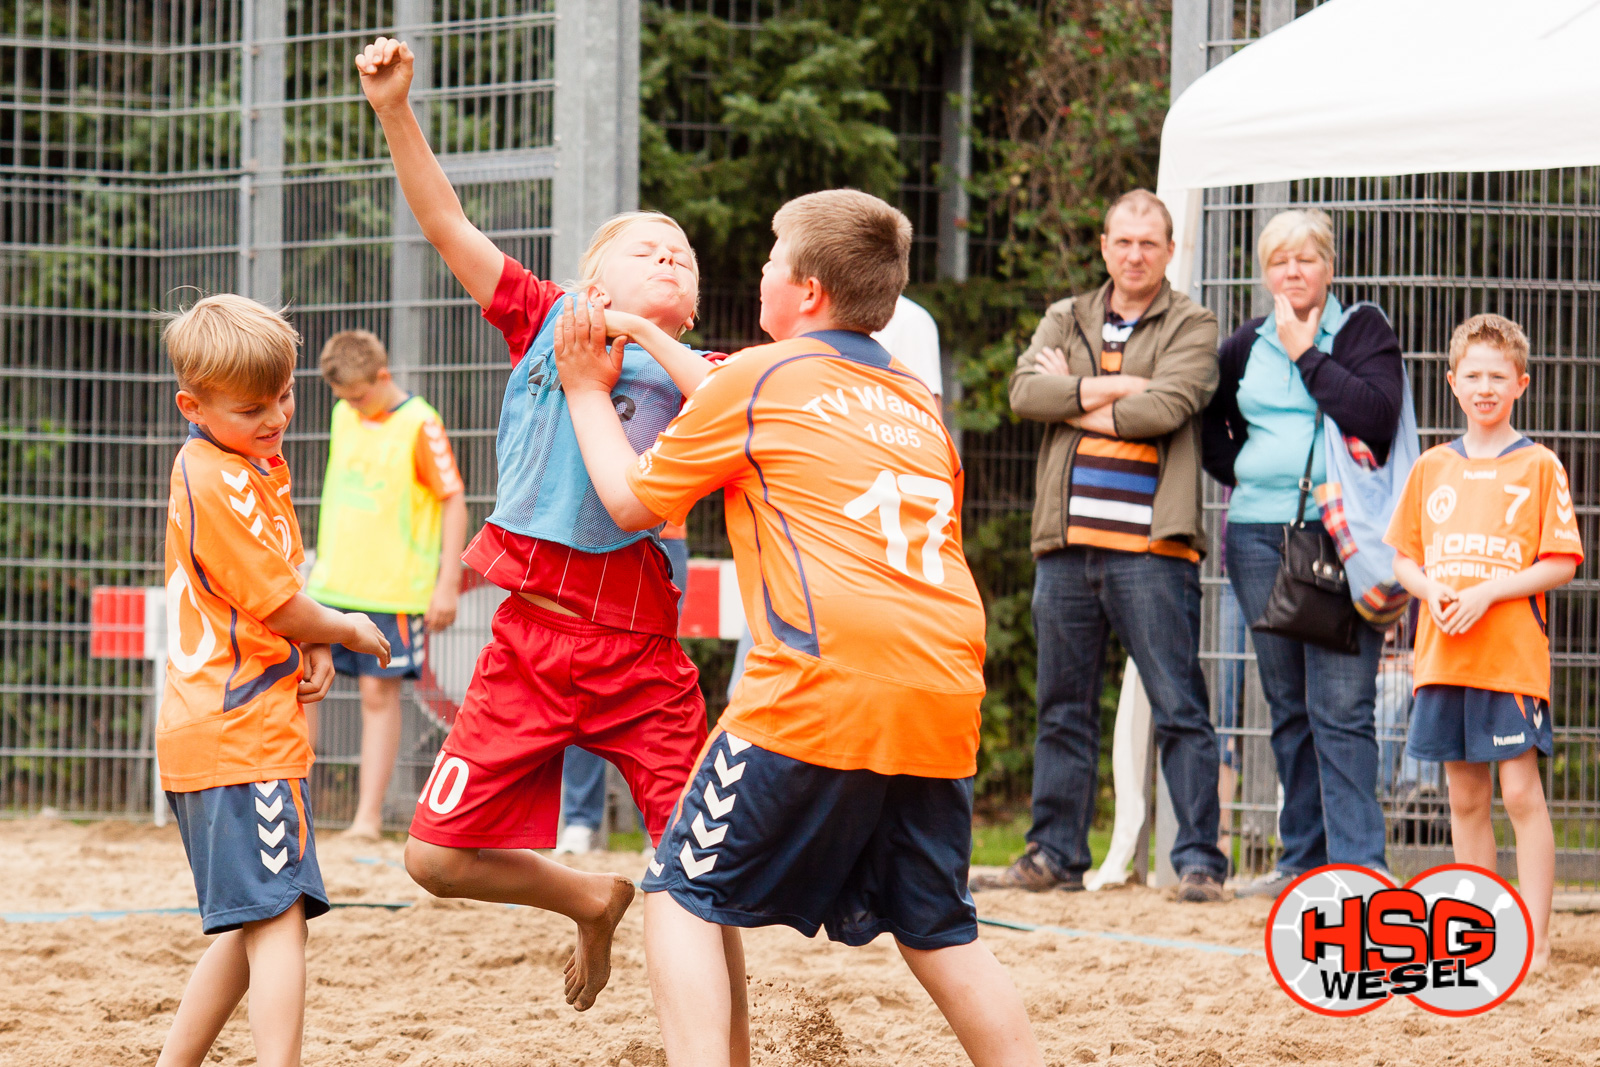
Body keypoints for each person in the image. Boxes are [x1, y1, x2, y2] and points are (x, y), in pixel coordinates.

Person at [554, 189, 1044, 1067]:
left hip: (822, 685)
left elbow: (630, 498)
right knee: (938, 928)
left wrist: (589, 390)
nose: (762, 271)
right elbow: (756, 399)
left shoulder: (759, 376)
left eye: (775, 257)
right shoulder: (914, 399)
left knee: (680, 893)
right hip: (942, 687)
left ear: (807, 292)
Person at [356, 36, 714, 1011]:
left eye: (682, 253)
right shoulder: (540, 316)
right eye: (648, 244)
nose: (671, 253)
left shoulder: (702, 372)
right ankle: (589, 896)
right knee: (433, 855)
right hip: (531, 634)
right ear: (589, 276)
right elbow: (445, 220)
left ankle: (724, 1033)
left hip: (640, 648)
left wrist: (645, 337)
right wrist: (394, 110)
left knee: (698, 870)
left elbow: (734, 408)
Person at [153, 295, 391, 1067]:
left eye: (285, 397)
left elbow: (268, 594)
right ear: (193, 405)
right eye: (253, 406)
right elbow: (280, 598)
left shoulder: (240, 462)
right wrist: (345, 627)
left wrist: (307, 642)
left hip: (219, 729)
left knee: (255, 917)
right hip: (241, 730)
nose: (276, 417)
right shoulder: (218, 475)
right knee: (281, 914)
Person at [980, 188, 1227, 902]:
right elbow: (1026, 393)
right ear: (1103, 246)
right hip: (1065, 545)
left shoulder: (1193, 321)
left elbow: (1169, 406)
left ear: (1170, 250)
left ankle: (1200, 861)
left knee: (1179, 705)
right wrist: (1115, 387)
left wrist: (1076, 398)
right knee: (1062, 705)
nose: (1135, 254)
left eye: (1149, 243)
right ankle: (1055, 853)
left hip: (1151, 547)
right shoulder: (1068, 314)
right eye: (1123, 241)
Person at [1202, 208, 1405, 898]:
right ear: (1265, 272)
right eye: (1280, 261)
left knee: (1343, 706)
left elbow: (1374, 415)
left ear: (1329, 266)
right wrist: (1254, 471)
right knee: (1287, 705)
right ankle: (1302, 864)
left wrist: (1304, 353)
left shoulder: (1361, 332)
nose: (1293, 271)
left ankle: (1359, 866)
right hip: (1258, 537)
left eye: (1306, 258)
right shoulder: (1242, 344)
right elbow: (1214, 424)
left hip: (1339, 538)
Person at [1387, 313, 1582, 971]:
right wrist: (1431, 587)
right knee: (1464, 798)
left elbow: (1561, 561)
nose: (1485, 385)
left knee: (1521, 794)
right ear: (1452, 382)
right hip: (1443, 658)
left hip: (1510, 660)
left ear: (1521, 384)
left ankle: (1535, 937)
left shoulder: (1539, 465)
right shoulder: (1432, 467)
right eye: (1472, 374)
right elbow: (1405, 559)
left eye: (1499, 375)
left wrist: (1489, 591)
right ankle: (1478, 931)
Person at [307, 329, 467, 840]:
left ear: (383, 376)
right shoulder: (342, 413)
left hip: (393, 592)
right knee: (305, 688)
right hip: (332, 584)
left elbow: (452, 500)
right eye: (342, 397)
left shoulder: (421, 423)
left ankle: (367, 820)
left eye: (356, 394)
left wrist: (447, 584)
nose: (350, 405)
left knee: (379, 698)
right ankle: (297, 812)